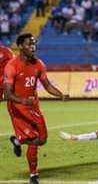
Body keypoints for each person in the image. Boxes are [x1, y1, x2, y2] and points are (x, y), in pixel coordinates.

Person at [3, 33, 68, 184]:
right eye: (28, 44)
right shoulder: (11, 66)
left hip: (33, 106)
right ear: (20, 46)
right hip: (18, 107)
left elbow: (47, 85)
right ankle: (33, 175)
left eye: (34, 43)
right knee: (33, 139)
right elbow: (7, 94)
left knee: (42, 139)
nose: (33, 46)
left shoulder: (39, 64)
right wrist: (23, 100)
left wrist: (60, 95)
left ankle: (19, 142)